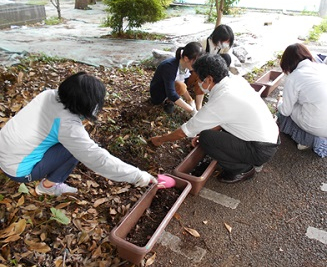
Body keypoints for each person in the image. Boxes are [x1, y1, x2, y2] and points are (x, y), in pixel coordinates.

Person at [0, 72, 157, 196]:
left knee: (71, 143)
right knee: (75, 150)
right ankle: (47, 187)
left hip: (5, 150)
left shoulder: (49, 94)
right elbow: (98, 159)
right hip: (19, 170)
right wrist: (138, 176)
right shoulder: (68, 126)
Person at [151, 54, 280, 183]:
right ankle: (243, 159)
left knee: (206, 138)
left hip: (259, 149)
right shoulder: (234, 81)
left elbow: (183, 132)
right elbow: (224, 118)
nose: (198, 83)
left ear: (209, 79)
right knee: (209, 134)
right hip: (270, 137)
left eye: (199, 79)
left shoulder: (222, 98)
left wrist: (160, 140)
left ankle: (242, 169)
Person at [277, 43, 327, 157]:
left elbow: (285, 111)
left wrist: (280, 102)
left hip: (320, 126)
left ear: (287, 63)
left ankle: (310, 140)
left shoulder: (293, 77)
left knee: (283, 115)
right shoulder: (323, 68)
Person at [150, 42, 203, 114]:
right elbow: (172, 92)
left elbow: (181, 84)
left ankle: (199, 108)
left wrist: (190, 100)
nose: (197, 65)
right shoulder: (169, 67)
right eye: (196, 62)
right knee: (180, 86)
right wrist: (191, 110)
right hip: (159, 94)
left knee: (198, 75)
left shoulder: (186, 66)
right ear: (186, 58)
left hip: (173, 87)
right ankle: (169, 102)